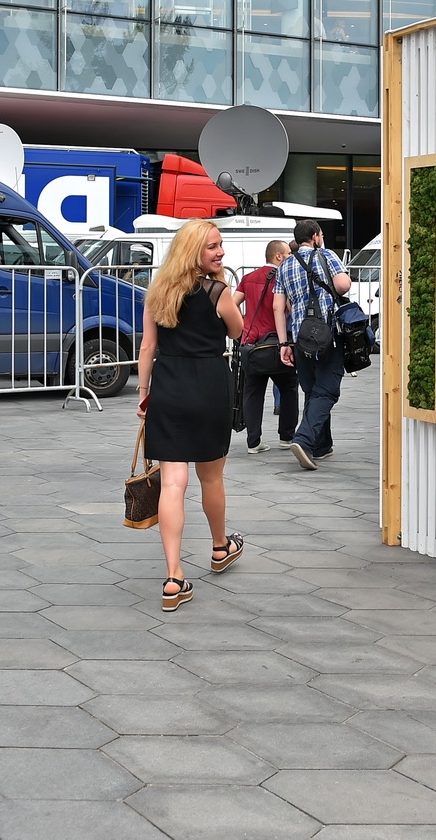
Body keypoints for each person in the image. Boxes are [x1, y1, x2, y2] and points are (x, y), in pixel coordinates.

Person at [135, 219, 246, 611]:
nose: (221, 252)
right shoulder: (218, 292)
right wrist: (224, 289)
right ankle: (219, 546)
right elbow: (238, 331)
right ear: (193, 251)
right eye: (213, 246)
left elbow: (148, 347)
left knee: (172, 483)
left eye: (220, 245)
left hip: (168, 386)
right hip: (210, 387)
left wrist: (144, 393)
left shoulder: (158, 292)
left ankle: (173, 577)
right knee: (211, 476)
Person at [273, 219, 351, 470]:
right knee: (327, 390)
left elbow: (277, 307)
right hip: (328, 333)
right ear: (316, 236)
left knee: (313, 389)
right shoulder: (326, 255)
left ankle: (321, 446)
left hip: (300, 337)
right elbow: (343, 285)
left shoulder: (285, 265)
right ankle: (304, 440)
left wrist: (284, 343)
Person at [232, 240, 299, 453]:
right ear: (278, 256)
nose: (290, 257)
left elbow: (232, 304)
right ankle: (286, 437)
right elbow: (289, 308)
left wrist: (243, 325)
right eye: (288, 254)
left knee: (252, 392)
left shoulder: (248, 278)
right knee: (289, 388)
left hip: (252, 345)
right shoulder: (283, 278)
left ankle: (253, 442)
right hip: (278, 344)